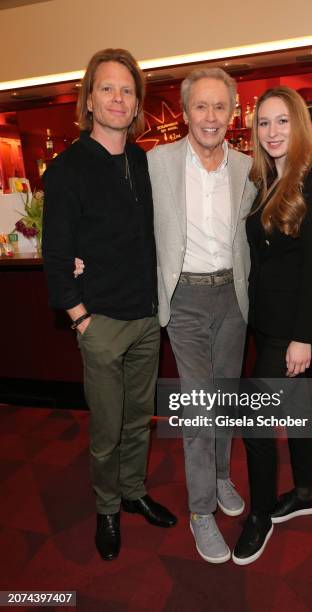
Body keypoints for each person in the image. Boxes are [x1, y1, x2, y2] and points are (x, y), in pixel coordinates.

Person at [42, 48, 176, 562]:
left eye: (127, 90)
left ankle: (134, 491)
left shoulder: (142, 160)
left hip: (146, 317)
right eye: (107, 88)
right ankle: (107, 508)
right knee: (106, 425)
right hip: (100, 323)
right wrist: (80, 319)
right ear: (89, 99)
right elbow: (57, 253)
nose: (118, 98)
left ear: (136, 102)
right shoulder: (67, 169)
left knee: (140, 417)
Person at [147, 68, 257, 563]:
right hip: (185, 298)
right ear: (185, 112)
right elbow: (124, 220)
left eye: (220, 107)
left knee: (225, 396)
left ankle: (218, 475)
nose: (210, 117)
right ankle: (200, 512)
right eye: (200, 107)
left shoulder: (248, 168)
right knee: (198, 406)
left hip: (232, 298)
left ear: (232, 112)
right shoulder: (158, 163)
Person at [232, 86, 312, 565]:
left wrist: (303, 337)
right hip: (266, 320)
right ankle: (304, 490)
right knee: (295, 409)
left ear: (299, 124)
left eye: (281, 121)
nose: (272, 132)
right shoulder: (260, 180)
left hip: (294, 327)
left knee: (254, 425)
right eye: (263, 123)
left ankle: (259, 516)